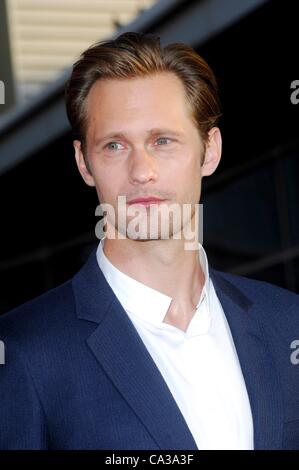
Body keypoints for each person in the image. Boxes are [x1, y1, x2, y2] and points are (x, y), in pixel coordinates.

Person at [0, 32, 298, 450]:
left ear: (209, 151)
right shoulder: (23, 352)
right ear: (84, 163)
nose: (142, 171)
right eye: (115, 145)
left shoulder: (287, 323)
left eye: (162, 140)